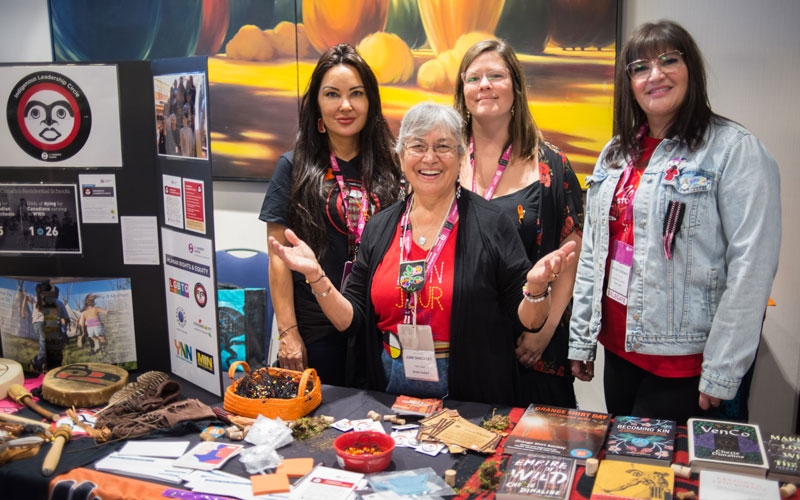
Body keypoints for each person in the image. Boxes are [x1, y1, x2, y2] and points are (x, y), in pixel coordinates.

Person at [269, 103, 577, 406]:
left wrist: (536, 290)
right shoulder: (380, 228)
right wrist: (316, 276)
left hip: (470, 392)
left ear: (460, 158)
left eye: (443, 147)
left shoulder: (493, 223)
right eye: (417, 146)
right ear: (401, 156)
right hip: (389, 386)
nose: (429, 158)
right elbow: (351, 321)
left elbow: (529, 322)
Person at [568, 20, 781, 425]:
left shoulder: (735, 151)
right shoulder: (616, 153)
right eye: (640, 67)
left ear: (691, 71)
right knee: (624, 473)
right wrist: (581, 339)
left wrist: (722, 370)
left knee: (661, 483)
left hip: (683, 365)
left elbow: (752, 269)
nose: (656, 75)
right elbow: (595, 253)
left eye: (669, 60)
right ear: (629, 82)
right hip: (619, 350)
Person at [259, 43, 402, 386]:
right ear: (318, 107)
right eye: (332, 94)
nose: (346, 105)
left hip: (378, 330)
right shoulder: (293, 167)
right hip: (316, 333)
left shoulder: (393, 168)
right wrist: (288, 333)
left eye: (356, 93)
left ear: (371, 103)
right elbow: (278, 257)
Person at [454, 39, 585, 408]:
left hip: (533, 348)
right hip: (463, 345)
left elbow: (571, 257)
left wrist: (542, 332)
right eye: (474, 77)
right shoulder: (442, 163)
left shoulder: (551, 165)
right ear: (462, 91)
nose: (485, 85)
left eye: (496, 75)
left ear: (516, 87)